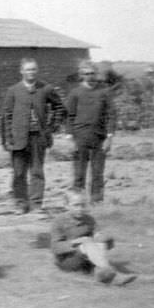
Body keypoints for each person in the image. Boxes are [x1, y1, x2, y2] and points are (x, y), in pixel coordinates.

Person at [2, 58, 65, 214]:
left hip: (39, 137)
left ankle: (36, 204)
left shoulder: (46, 89)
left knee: (37, 171)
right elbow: (6, 116)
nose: (31, 72)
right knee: (18, 173)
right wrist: (7, 138)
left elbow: (60, 108)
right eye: (28, 69)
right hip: (18, 138)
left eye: (34, 69)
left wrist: (51, 127)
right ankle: (20, 203)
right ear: (21, 71)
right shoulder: (13, 91)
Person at [50, 190, 137, 286]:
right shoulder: (59, 221)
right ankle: (110, 271)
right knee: (87, 242)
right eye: (76, 205)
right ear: (66, 205)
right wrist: (76, 242)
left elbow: (99, 236)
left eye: (83, 205)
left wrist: (101, 237)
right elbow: (55, 247)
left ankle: (104, 276)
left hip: (87, 257)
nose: (80, 209)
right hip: (67, 260)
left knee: (99, 242)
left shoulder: (89, 219)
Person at [65, 62, 116, 204]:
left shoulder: (104, 92)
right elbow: (69, 116)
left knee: (97, 173)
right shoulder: (75, 93)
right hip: (80, 138)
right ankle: (78, 204)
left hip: (99, 138)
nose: (90, 77)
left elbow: (112, 114)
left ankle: (97, 203)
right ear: (82, 75)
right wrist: (70, 139)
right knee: (79, 174)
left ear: (96, 74)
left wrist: (109, 137)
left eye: (92, 73)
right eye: (87, 74)